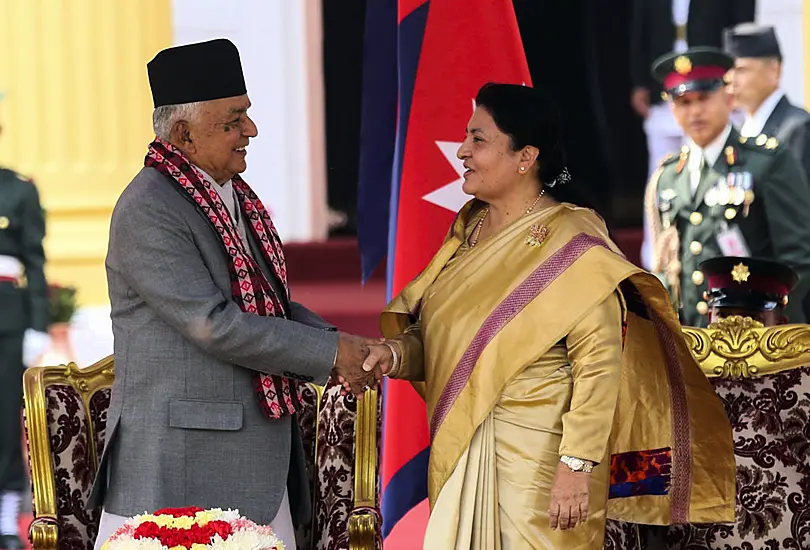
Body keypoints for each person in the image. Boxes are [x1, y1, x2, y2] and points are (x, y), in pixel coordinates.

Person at [357, 83, 735, 549]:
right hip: (465, 447)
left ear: (525, 156)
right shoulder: (470, 229)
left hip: (543, 464)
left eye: (478, 139)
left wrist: (576, 468)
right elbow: (446, 338)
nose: (462, 151)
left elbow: (598, 366)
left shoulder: (573, 239)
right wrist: (393, 355)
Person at [88, 39, 378, 550]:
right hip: (180, 468)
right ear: (184, 134)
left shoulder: (229, 193)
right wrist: (332, 354)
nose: (252, 131)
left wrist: (336, 342)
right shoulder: (149, 208)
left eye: (247, 115)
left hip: (252, 458)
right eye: (233, 120)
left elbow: (265, 306)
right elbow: (213, 323)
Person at [644, 47, 810, 328]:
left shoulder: (768, 161)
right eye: (684, 102)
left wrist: (764, 322)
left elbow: (798, 260)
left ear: (729, 97)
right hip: (695, 341)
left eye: (704, 98)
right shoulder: (669, 176)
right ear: (672, 109)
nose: (695, 111)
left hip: (760, 339)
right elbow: (666, 265)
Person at [664, 256, 810, 548]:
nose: (736, 329)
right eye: (725, 315)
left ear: (780, 323)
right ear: (709, 316)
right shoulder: (672, 368)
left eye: (752, 319)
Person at [632, 0, 755, 270]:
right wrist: (639, 80)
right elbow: (640, 28)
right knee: (661, 175)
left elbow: (742, 24)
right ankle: (656, 257)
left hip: (711, 85)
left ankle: (710, 252)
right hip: (666, 87)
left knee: (713, 170)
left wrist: (736, 80)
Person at [0, 94, 50, 550]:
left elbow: (33, 259)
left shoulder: (17, 190)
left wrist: (38, 323)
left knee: (2, 416)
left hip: (4, 316)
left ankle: (5, 512)